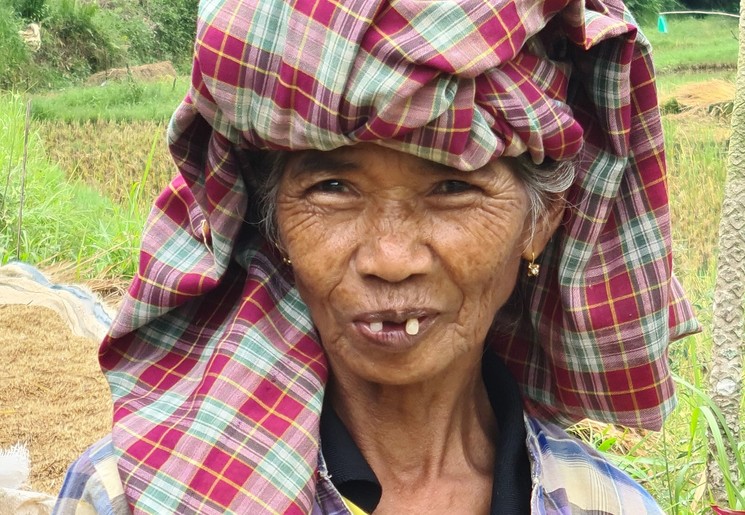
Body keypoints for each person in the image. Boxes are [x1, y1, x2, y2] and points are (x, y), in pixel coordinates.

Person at [54, 0, 700, 513]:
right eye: (332, 188)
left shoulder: (601, 503)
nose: (390, 260)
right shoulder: (130, 494)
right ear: (274, 223)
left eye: (452, 187)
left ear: (540, 223)